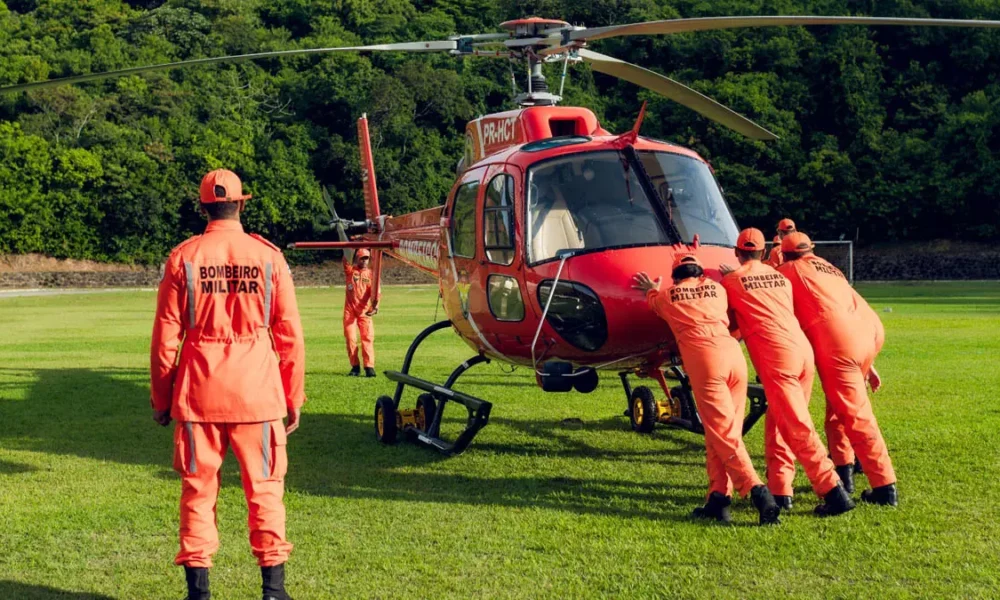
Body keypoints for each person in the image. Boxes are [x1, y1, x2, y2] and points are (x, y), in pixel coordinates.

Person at [151, 168, 304, 600]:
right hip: (258, 394)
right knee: (266, 492)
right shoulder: (268, 257)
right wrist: (292, 398)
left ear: (204, 207)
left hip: (198, 394)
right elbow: (290, 335)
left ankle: (198, 594)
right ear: (241, 203)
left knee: (197, 494)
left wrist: (162, 399)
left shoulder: (184, 257)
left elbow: (165, 338)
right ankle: (274, 592)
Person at [634, 253, 780, 525]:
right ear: (700, 273)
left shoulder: (669, 296)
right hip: (734, 357)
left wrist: (651, 289)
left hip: (706, 362)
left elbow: (654, 302)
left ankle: (758, 492)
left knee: (723, 434)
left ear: (676, 276)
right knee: (723, 432)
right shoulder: (718, 290)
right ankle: (718, 499)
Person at [720, 227, 853, 516]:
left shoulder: (731, 281)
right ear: (764, 252)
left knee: (796, 426)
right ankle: (781, 490)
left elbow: (728, 324)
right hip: (802, 352)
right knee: (779, 422)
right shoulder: (780, 277)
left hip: (778, 359)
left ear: (737, 252)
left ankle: (833, 491)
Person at [777, 232, 897, 505]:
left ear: (782, 253)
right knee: (838, 411)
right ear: (812, 249)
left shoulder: (786, 271)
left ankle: (884, 486)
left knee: (855, 415)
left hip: (840, 340)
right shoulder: (829, 267)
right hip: (867, 329)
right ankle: (845, 471)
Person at [342, 247, 380, 377]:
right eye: (362, 258)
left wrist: (375, 306)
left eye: (366, 258)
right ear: (357, 258)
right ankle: (355, 367)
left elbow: (376, 293)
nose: (364, 261)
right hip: (350, 311)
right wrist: (341, 230)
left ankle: (369, 367)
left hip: (364, 311)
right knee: (350, 338)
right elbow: (346, 253)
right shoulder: (350, 271)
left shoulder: (371, 275)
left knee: (367, 338)